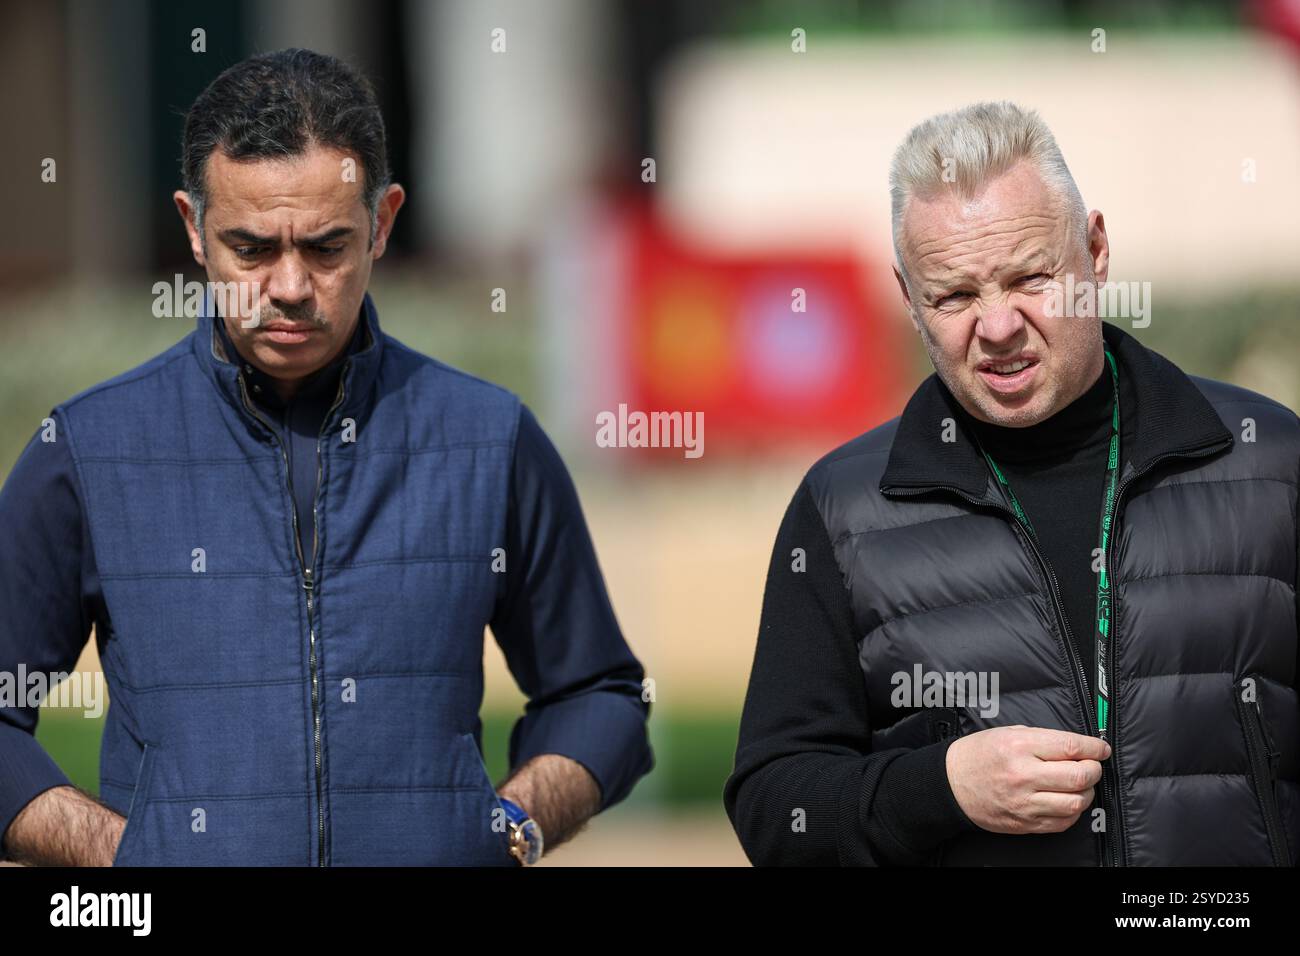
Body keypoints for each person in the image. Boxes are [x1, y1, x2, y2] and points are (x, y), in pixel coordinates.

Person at [0, 48, 652, 866]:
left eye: (326, 247)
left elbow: (601, 697)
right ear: (193, 230)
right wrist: (123, 855)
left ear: (382, 222)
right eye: (251, 249)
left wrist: (506, 829)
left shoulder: (488, 438)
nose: (290, 285)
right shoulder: (91, 451)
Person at [724, 101, 1299, 866]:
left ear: (1095, 251)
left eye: (1030, 277)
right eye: (954, 296)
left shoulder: (1269, 460)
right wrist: (939, 788)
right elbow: (773, 809)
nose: (997, 327)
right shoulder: (841, 511)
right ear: (909, 297)